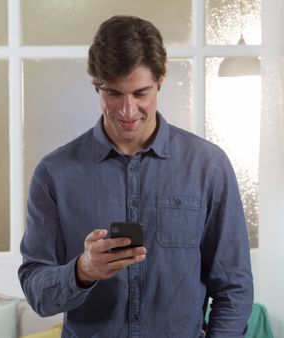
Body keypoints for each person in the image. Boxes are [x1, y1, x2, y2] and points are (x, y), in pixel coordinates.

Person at [19, 15, 253, 338]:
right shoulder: (53, 174)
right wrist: (83, 271)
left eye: (140, 93)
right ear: (96, 86)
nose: (128, 111)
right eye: (114, 94)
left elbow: (234, 289)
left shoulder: (209, 167)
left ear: (160, 81)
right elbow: (36, 291)